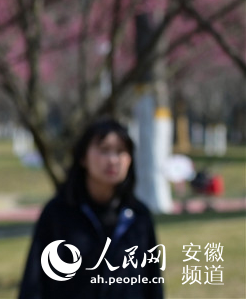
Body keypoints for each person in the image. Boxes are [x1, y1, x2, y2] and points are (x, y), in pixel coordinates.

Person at [19, 117, 163, 299]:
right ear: (83, 157)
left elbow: (152, 283)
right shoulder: (58, 213)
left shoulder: (139, 216)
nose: (113, 160)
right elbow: (34, 283)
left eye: (120, 151)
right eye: (104, 150)